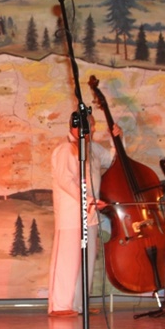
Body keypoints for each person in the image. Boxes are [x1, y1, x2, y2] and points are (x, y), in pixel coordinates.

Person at [48, 114, 121, 316]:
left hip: (90, 213)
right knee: (68, 260)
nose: (93, 128)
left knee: (86, 260)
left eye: (92, 125)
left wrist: (116, 140)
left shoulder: (92, 148)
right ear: (75, 127)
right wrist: (88, 199)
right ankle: (60, 306)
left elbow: (112, 160)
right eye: (90, 125)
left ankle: (79, 305)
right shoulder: (65, 149)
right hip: (71, 214)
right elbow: (66, 181)